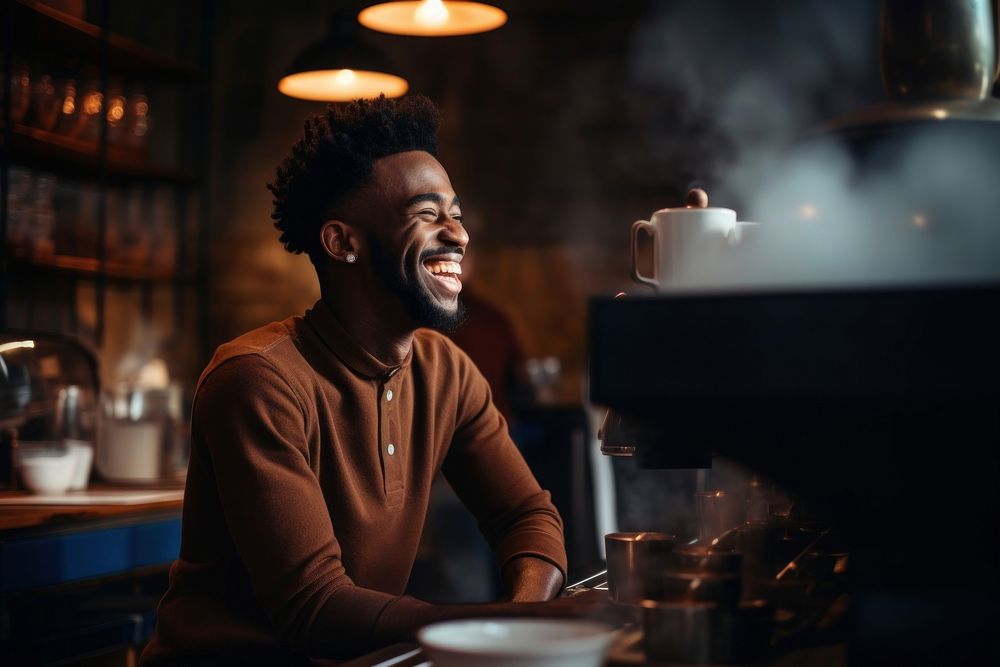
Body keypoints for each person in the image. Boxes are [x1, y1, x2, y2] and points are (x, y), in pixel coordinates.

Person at [141, 96, 603, 666]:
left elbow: (526, 516)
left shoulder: (447, 370)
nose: (458, 234)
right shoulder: (258, 380)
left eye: (455, 212)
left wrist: (527, 612)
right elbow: (315, 607)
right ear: (343, 242)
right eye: (427, 213)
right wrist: (503, 625)